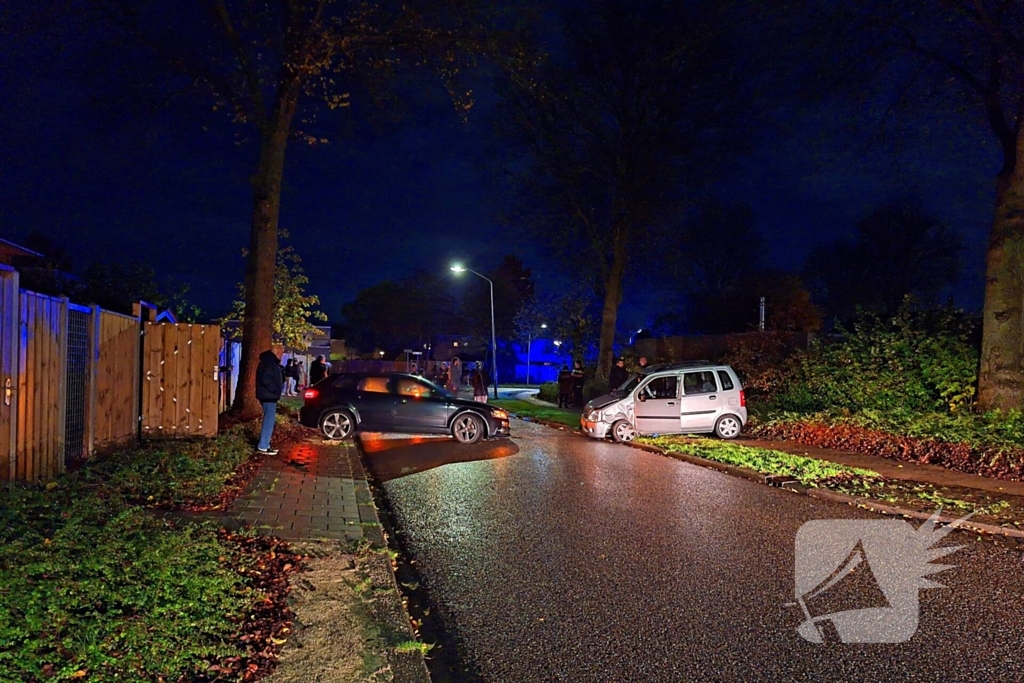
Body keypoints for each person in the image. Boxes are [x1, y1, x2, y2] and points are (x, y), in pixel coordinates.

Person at [256, 346, 285, 455]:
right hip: (268, 395)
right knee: (269, 420)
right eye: (281, 353)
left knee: (269, 420)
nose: (282, 356)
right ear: (277, 353)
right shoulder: (270, 363)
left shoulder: (268, 361)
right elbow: (266, 378)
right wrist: (274, 389)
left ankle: (265, 444)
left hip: (268, 395)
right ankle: (263, 445)